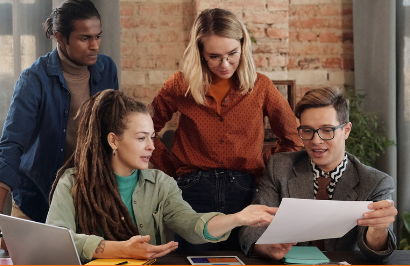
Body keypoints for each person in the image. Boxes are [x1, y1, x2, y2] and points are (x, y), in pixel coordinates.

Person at [0, 0, 119, 254]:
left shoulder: (106, 69)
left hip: (90, 203)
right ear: (60, 37)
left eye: (98, 36)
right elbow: (11, 146)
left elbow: (114, 134)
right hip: (37, 202)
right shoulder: (34, 79)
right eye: (85, 38)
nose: (95, 45)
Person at [46, 90, 277, 262]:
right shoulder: (73, 182)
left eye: (152, 137)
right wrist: (120, 249)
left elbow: (192, 225)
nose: (152, 146)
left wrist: (238, 218)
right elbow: (56, 242)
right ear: (113, 140)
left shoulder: (161, 184)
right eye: (141, 138)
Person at [149, 8, 303, 251]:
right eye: (214, 56)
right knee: (192, 259)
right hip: (192, 191)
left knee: (241, 258)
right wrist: (171, 170)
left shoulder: (260, 86)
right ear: (200, 52)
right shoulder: (180, 85)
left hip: (243, 191)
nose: (225, 64)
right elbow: (146, 131)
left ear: (243, 45)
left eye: (232, 53)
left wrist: (262, 163)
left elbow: (294, 138)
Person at [240, 86, 398, 263]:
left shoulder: (375, 182)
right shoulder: (280, 167)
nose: (316, 140)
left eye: (326, 130)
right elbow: (251, 228)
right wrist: (265, 247)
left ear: (346, 130)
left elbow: (376, 253)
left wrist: (379, 228)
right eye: (307, 131)